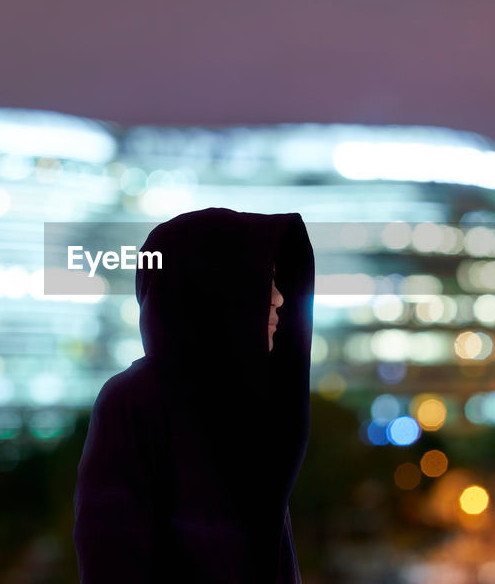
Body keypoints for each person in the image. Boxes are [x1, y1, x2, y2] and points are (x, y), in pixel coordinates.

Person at [73, 207, 315, 583]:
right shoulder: (132, 401)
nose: (279, 299)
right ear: (212, 283)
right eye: (261, 279)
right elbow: (112, 563)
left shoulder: (248, 406)